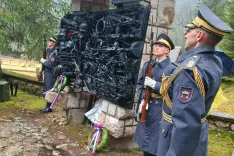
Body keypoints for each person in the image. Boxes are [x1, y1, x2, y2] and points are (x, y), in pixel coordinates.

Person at [157, 4, 233, 156]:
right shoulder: (214, 60)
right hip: (198, 136)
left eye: (189, 30)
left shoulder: (190, 72)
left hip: (178, 142)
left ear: (199, 36)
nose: (185, 35)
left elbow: (185, 125)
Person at [133, 33, 176, 156]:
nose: (156, 47)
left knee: (157, 144)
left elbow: (173, 91)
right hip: (147, 106)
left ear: (167, 50)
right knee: (146, 143)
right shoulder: (148, 65)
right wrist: (142, 100)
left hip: (161, 110)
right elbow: (140, 84)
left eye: (160, 45)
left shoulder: (172, 69)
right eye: (155, 45)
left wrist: (155, 85)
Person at [40, 36, 57, 113]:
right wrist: (42, 70)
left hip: (51, 73)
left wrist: (44, 62)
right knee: (46, 89)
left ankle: (50, 107)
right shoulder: (48, 50)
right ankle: (47, 106)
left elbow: (51, 65)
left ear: (54, 43)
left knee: (49, 90)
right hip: (47, 72)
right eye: (49, 40)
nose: (48, 42)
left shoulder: (54, 52)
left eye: (50, 41)